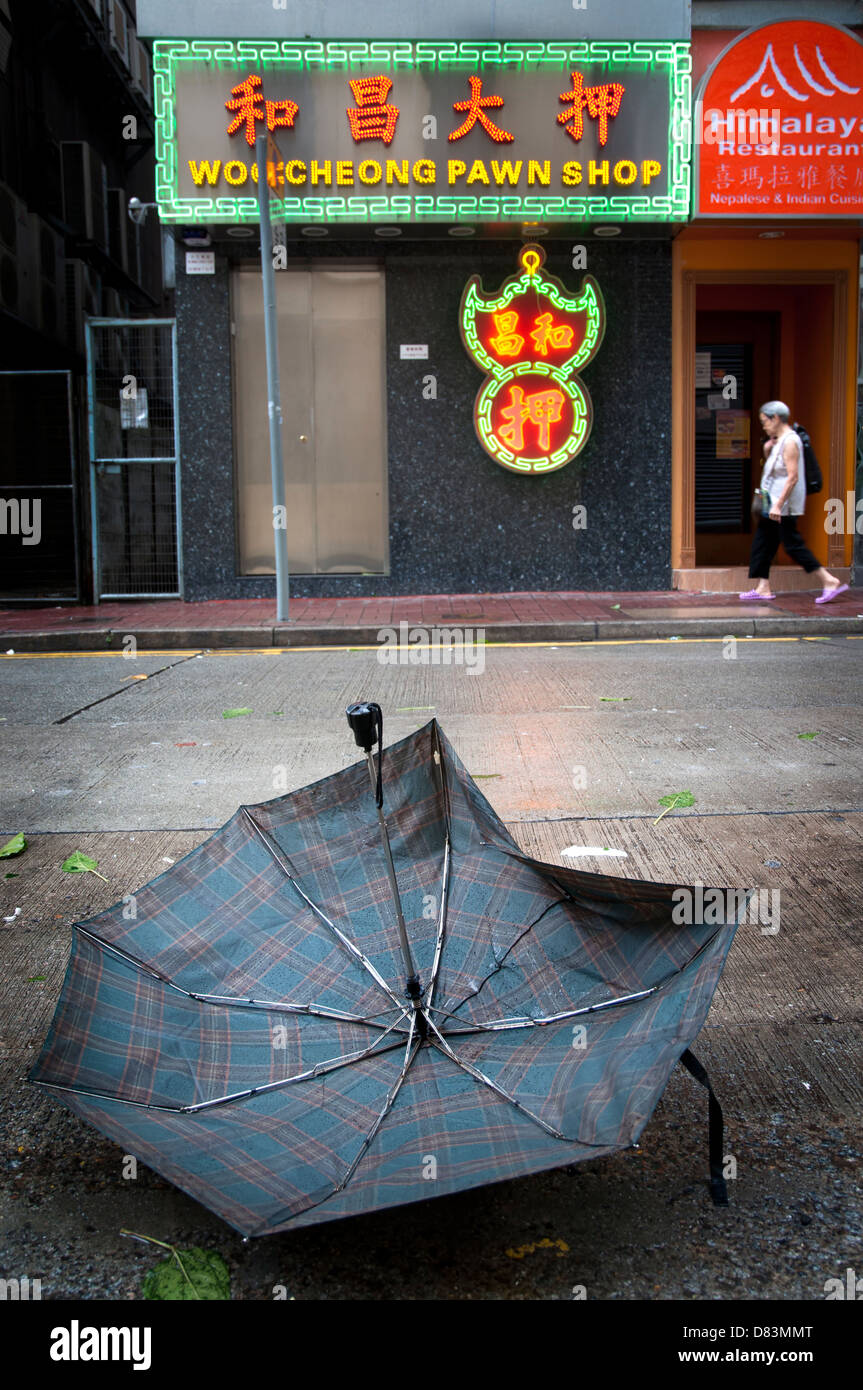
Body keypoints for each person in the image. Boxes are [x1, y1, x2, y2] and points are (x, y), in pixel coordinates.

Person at [740, 401, 848, 604]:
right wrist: (767, 450)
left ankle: (829, 580)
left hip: (783, 506)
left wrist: (779, 505)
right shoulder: (778, 440)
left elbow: (792, 477)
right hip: (771, 501)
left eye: (765, 421)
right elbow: (775, 471)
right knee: (763, 542)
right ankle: (763, 587)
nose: (764, 426)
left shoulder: (791, 441)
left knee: (792, 545)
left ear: (776, 418)